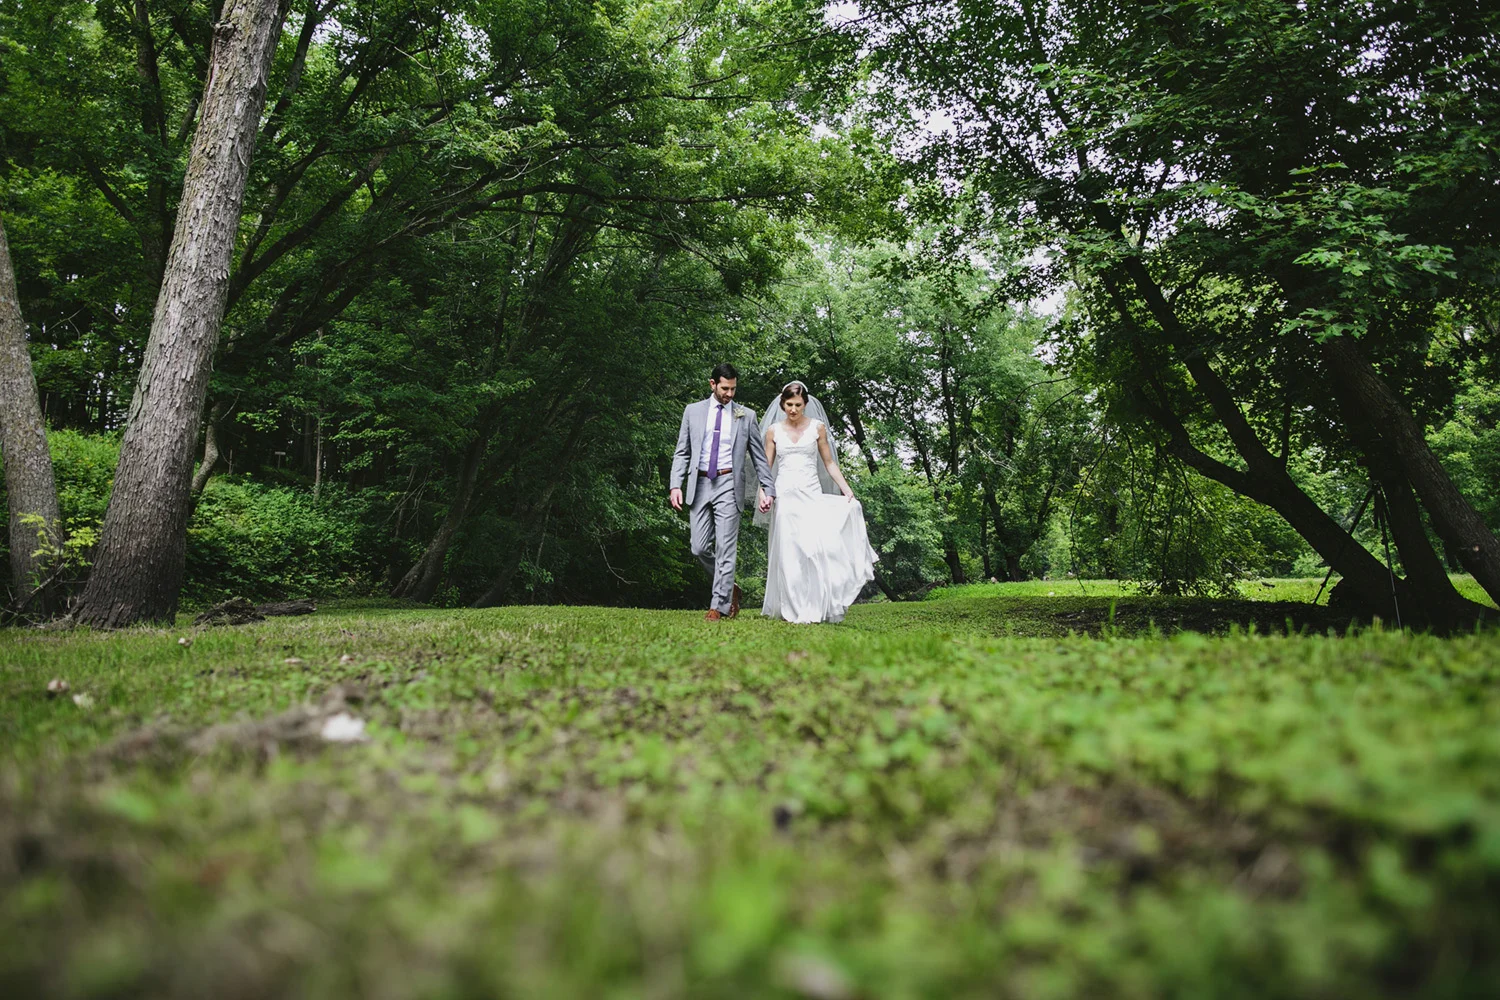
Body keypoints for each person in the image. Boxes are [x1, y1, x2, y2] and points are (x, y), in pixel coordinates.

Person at [758, 381, 877, 623]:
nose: (793, 409)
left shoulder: (817, 428)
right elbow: (765, 467)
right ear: (782, 404)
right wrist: (763, 493)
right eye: (789, 405)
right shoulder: (773, 431)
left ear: (805, 404)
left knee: (813, 550)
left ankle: (815, 604)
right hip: (785, 496)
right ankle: (792, 608)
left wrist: (846, 490)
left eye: (798, 405)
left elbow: (829, 463)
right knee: (789, 553)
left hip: (811, 494)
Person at [668, 363, 776, 620]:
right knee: (698, 547)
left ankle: (718, 606)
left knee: (726, 547)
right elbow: (682, 451)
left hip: (729, 483)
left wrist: (768, 489)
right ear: (712, 384)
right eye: (725, 388)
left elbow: (759, 457)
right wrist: (675, 484)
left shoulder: (745, 415)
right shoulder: (692, 411)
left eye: (733, 389)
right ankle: (730, 589)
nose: (729, 394)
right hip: (700, 483)